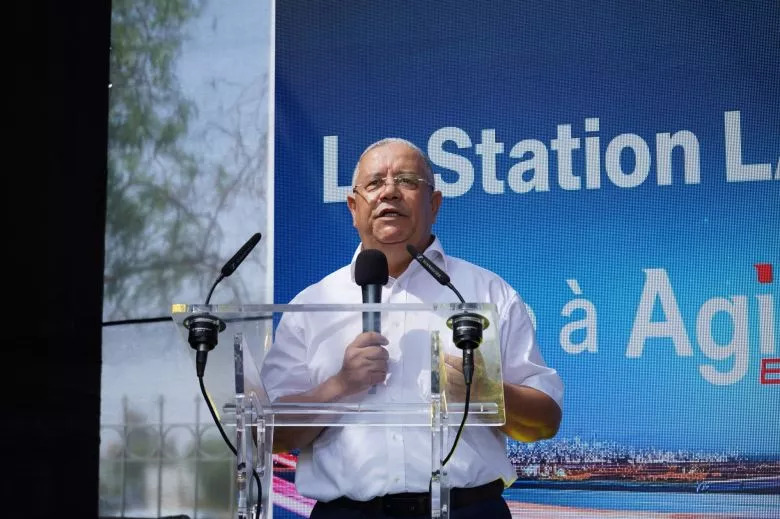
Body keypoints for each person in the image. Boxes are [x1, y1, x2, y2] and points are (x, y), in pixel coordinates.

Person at [260, 138, 563, 518]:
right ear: (353, 208)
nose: (389, 191)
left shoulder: (485, 292)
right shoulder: (312, 305)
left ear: (433, 203)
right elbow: (268, 434)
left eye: (406, 181)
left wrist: (484, 391)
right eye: (373, 184)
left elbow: (544, 422)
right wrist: (339, 386)